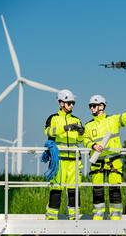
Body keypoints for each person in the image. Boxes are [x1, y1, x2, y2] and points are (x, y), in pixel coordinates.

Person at [83, 95, 126, 220]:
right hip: (97, 163)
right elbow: (85, 140)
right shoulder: (88, 126)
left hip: (114, 161)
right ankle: (97, 219)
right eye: (90, 106)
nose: (91, 108)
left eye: (93, 106)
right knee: (97, 191)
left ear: (101, 106)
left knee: (115, 191)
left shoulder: (113, 120)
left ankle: (116, 219)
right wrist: (93, 145)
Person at [44, 89, 85, 220]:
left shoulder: (77, 120)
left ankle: (74, 218)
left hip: (74, 161)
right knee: (56, 189)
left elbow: (80, 141)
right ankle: (51, 218)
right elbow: (49, 132)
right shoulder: (53, 118)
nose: (71, 105)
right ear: (61, 103)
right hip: (59, 161)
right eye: (69, 103)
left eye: (73, 103)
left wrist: (81, 133)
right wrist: (64, 128)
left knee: (74, 190)